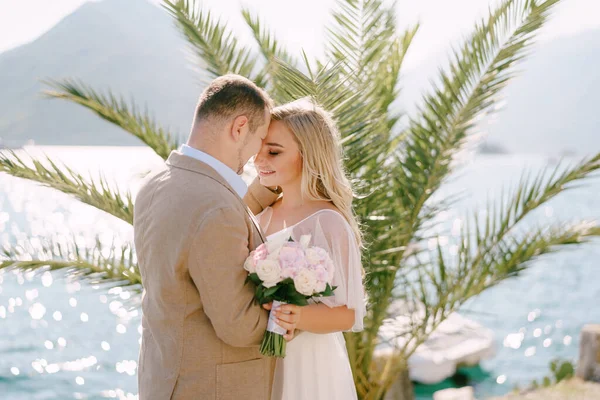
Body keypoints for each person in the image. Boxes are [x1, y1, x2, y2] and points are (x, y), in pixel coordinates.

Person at [133, 74, 297, 400]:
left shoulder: (155, 184)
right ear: (238, 128)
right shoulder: (217, 208)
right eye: (259, 138)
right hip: (212, 388)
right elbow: (237, 324)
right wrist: (296, 315)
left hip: (162, 379)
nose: (256, 154)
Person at [253, 98, 366, 400]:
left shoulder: (329, 222)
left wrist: (297, 317)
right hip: (256, 361)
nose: (258, 159)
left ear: (308, 154)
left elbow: (348, 315)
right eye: (259, 148)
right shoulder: (261, 215)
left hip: (309, 365)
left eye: (273, 151)